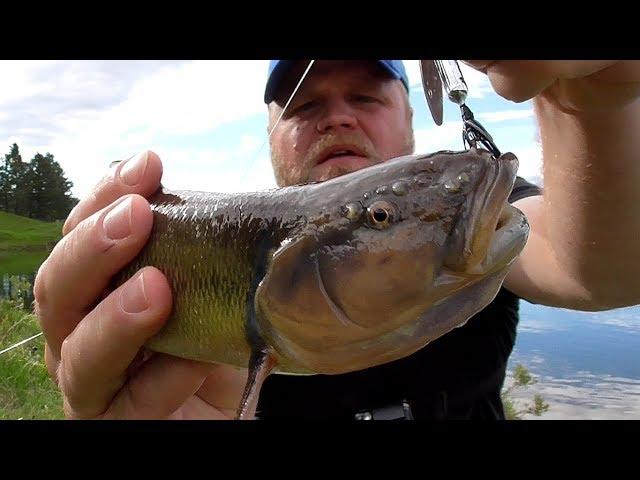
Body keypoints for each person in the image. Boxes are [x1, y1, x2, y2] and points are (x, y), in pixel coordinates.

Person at [33, 60, 640, 420]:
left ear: (411, 116)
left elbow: (594, 264)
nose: (339, 116)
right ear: (271, 136)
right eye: (306, 105)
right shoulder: (209, 347)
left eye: (366, 95)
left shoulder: (462, 219)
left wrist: (589, 99)